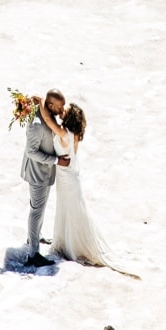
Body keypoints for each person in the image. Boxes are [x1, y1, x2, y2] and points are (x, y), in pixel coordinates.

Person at [44, 103, 115, 267]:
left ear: (69, 118)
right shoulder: (73, 133)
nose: (62, 110)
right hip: (69, 177)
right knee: (69, 210)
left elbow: (48, 120)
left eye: (65, 111)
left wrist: (41, 102)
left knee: (69, 210)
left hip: (67, 179)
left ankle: (71, 245)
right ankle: (66, 240)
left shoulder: (64, 133)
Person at [19, 89, 67, 268]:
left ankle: (35, 237)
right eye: (60, 106)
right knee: (36, 210)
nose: (62, 109)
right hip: (37, 174)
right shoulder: (37, 124)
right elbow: (31, 152)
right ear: (51, 105)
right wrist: (56, 161)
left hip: (44, 173)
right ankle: (33, 254)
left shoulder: (47, 114)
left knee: (40, 207)